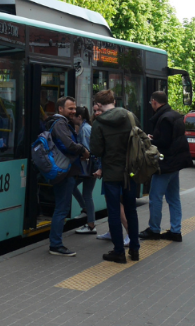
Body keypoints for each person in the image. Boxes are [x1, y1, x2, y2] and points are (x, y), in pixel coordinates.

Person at [89, 89, 140, 264]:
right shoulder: (130, 116)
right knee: (131, 211)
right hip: (130, 173)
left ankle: (119, 251)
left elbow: (96, 150)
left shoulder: (98, 123)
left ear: (98, 105)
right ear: (114, 101)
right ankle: (135, 248)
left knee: (114, 212)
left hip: (111, 173)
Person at [139, 91, 192, 242]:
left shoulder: (164, 119)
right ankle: (176, 231)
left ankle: (154, 229)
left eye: (151, 103)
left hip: (166, 164)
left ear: (154, 102)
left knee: (155, 197)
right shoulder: (175, 115)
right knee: (173, 198)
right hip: (176, 163)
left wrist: (149, 140)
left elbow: (165, 143)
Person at [44, 96, 90, 256]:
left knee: (61, 208)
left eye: (74, 108)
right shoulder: (60, 124)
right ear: (60, 109)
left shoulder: (59, 123)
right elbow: (69, 144)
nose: (73, 111)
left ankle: (55, 243)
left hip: (62, 171)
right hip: (65, 172)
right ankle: (56, 245)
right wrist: (83, 150)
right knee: (62, 209)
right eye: (70, 108)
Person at [73, 106, 100, 235]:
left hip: (87, 169)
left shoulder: (84, 129)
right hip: (90, 168)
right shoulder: (87, 127)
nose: (72, 118)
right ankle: (90, 220)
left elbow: (87, 152)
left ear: (79, 117)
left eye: (74, 115)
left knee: (74, 187)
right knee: (86, 194)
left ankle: (90, 224)